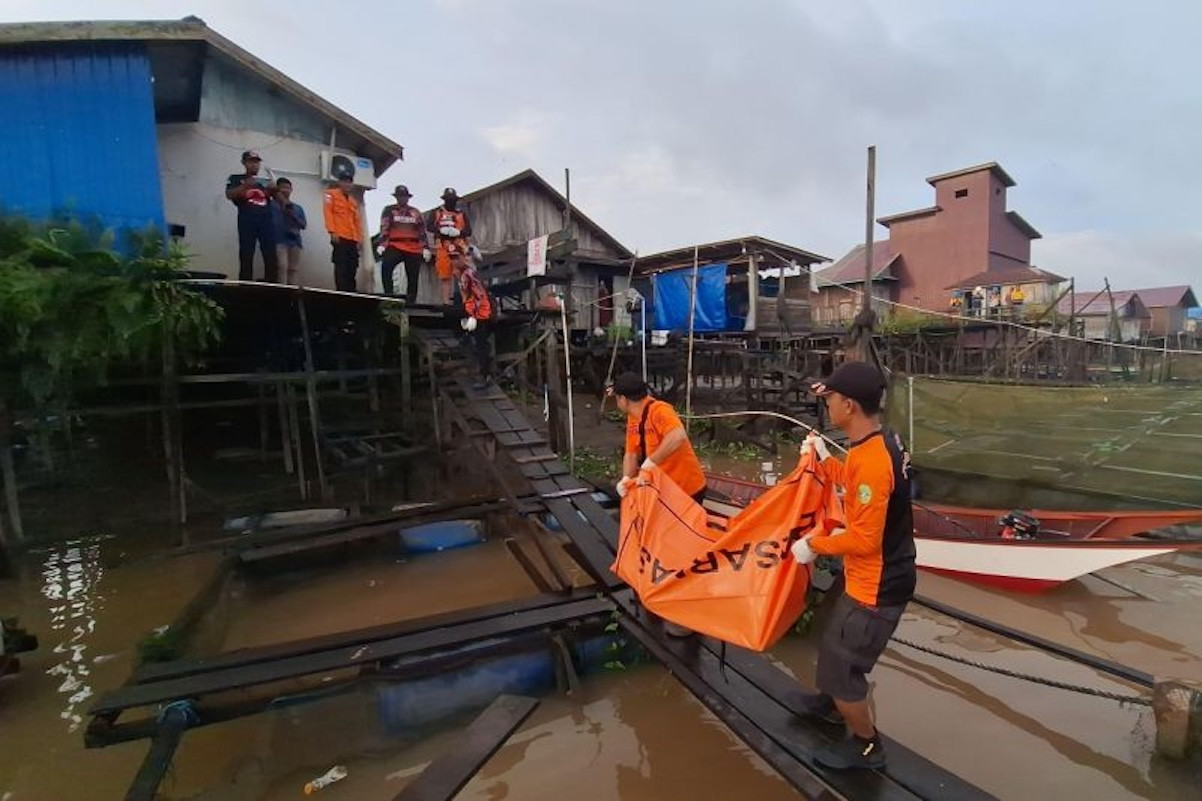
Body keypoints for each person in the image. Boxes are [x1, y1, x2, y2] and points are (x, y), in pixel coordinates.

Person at [789, 360, 916, 771]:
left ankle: (867, 747)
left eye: (830, 400)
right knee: (832, 646)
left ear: (848, 404)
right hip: (865, 578)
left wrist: (812, 545)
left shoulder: (875, 462)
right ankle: (829, 706)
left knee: (846, 672)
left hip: (877, 586)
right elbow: (859, 485)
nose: (828, 407)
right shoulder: (877, 443)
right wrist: (826, 462)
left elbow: (864, 538)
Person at [225, 150, 279, 282]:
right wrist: (245, 185)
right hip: (247, 220)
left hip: (266, 220)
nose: (255, 165)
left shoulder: (263, 181)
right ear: (244, 163)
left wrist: (274, 188)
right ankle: (245, 285)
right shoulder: (235, 178)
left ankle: (272, 285)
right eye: (251, 162)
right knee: (246, 253)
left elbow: (277, 198)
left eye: (257, 162)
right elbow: (229, 194)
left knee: (270, 253)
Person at [378, 185, 432, 301]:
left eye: (404, 196)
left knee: (413, 276)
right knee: (386, 268)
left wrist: (425, 248)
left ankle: (411, 300)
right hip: (394, 245)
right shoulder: (389, 210)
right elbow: (384, 227)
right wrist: (382, 244)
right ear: (396, 197)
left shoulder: (415, 212)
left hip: (413, 247)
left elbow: (422, 231)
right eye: (400, 196)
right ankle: (389, 295)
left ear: (408, 198)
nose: (402, 199)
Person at [454, 248, 495, 389]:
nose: (453, 261)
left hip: (481, 314)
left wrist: (473, 316)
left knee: (481, 346)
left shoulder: (469, 273)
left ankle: (485, 377)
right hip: (472, 311)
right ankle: (464, 338)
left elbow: (480, 296)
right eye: (451, 258)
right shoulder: (461, 274)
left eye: (456, 258)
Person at [428, 188, 472, 305]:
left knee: (462, 275)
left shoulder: (461, 214)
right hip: (442, 246)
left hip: (459, 247)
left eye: (453, 200)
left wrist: (458, 232)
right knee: (445, 276)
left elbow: (468, 231)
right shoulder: (437, 212)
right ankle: (446, 302)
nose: (451, 202)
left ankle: (465, 302)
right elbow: (429, 226)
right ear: (444, 200)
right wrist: (440, 230)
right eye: (449, 200)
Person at [324, 173, 362, 292]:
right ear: (340, 182)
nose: (347, 184)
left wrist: (359, 239)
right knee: (341, 265)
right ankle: (341, 291)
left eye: (349, 182)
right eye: (344, 181)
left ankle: (351, 291)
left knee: (352, 266)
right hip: (339, 236)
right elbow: (328, 212)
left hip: (352, 238)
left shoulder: (353, 201)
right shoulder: (330, 194)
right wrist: (332, 231)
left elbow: (357, 221)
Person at [271, 177, 307, 285]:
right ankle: (283, 293)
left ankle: (293, 295)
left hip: (295, 242)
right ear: (278, 189)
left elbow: (303, 225)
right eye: (283, 187)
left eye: (288, 188)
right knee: (282, 266)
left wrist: (292, 215)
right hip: (278, 240)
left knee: (293, 269)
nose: (285, 190)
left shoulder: (297, 208)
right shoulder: (271, 205)